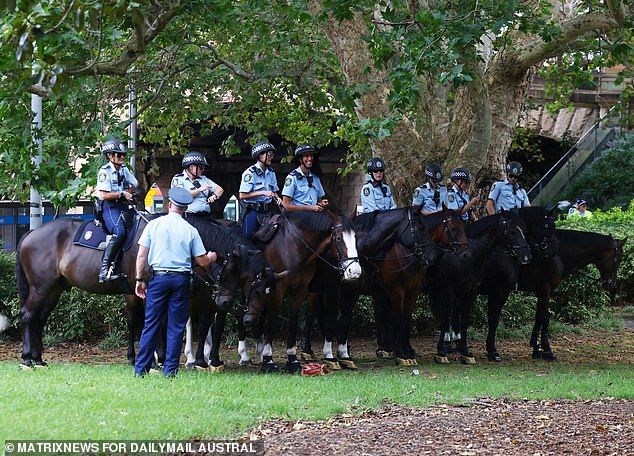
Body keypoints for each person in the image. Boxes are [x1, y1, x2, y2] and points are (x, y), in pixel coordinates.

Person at [134, 187, 217, 377]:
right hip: (181, 280)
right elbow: (202, 261)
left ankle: (141, 370)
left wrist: (139, 279)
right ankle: (170, 370)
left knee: (151, 324)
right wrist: (212, 257)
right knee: (176, 326)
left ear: (169, 204)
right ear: (185, 209)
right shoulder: (191, 230)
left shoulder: (153, 225)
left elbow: (141, 256)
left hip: (158, 279)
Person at [96, 138, 138, 283]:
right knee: (119, 232)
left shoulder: (124, 169)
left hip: (124, 206)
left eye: (123, 155)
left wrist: (129, 191)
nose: (122, 157)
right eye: (118, 154)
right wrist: (121, 194)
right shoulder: (104, 171)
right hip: (110, 208)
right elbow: (104, 195)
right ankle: (104, 270)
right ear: (109, 156)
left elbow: (135, 183)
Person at [239, 141, 281, 239]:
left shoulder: (271, 173)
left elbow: (274, 191)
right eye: (269, 154)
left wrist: (278, 199)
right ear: (261, 155)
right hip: (254, 210)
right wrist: (263, 192)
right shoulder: (249, 173)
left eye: (272, 154)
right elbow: (242, 196)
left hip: (268, 211)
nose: (271, 157)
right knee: (248, 236)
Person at [170, 151, 224, 218]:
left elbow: (220, 189)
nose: (203, 170)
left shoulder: (204, 179)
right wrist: (199, 190)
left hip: (206, 216)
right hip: (189, 217)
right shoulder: (178, 179)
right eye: (201, 167)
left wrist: (214, 196)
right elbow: (181, 196)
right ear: (191, 167)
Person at [281, 143, 329, 211]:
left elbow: (319, 200)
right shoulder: (292, 178)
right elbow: (286, 205)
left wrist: (322, 203)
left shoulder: (315, 178)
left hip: (314, 214)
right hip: (298, 216)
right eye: (306, 156)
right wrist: (309, 208)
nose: (310, 159)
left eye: (311, 156)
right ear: (300, 159)